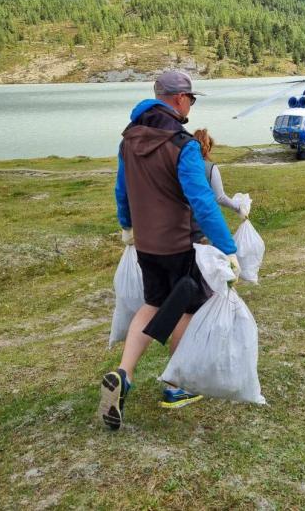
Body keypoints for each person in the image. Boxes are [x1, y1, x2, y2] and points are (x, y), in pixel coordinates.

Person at [99, 70, 239, 431]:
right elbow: (203, 202)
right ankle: (175, 387)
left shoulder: (128, 139)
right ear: (179, 98)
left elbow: (122, 188)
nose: (190, 105)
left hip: (146, 244)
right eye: (191, 99)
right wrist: (228, 248)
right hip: (180, 245)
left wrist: (127, 226)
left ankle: (124, 374)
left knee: (153, 304)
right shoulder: (183, 144)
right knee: (188, 309)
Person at [193, 128, 247, 217]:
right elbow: (220, 197)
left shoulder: (182, 165)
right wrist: (239, 208)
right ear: (208, 148)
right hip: (206, 215)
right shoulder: (210, 167)